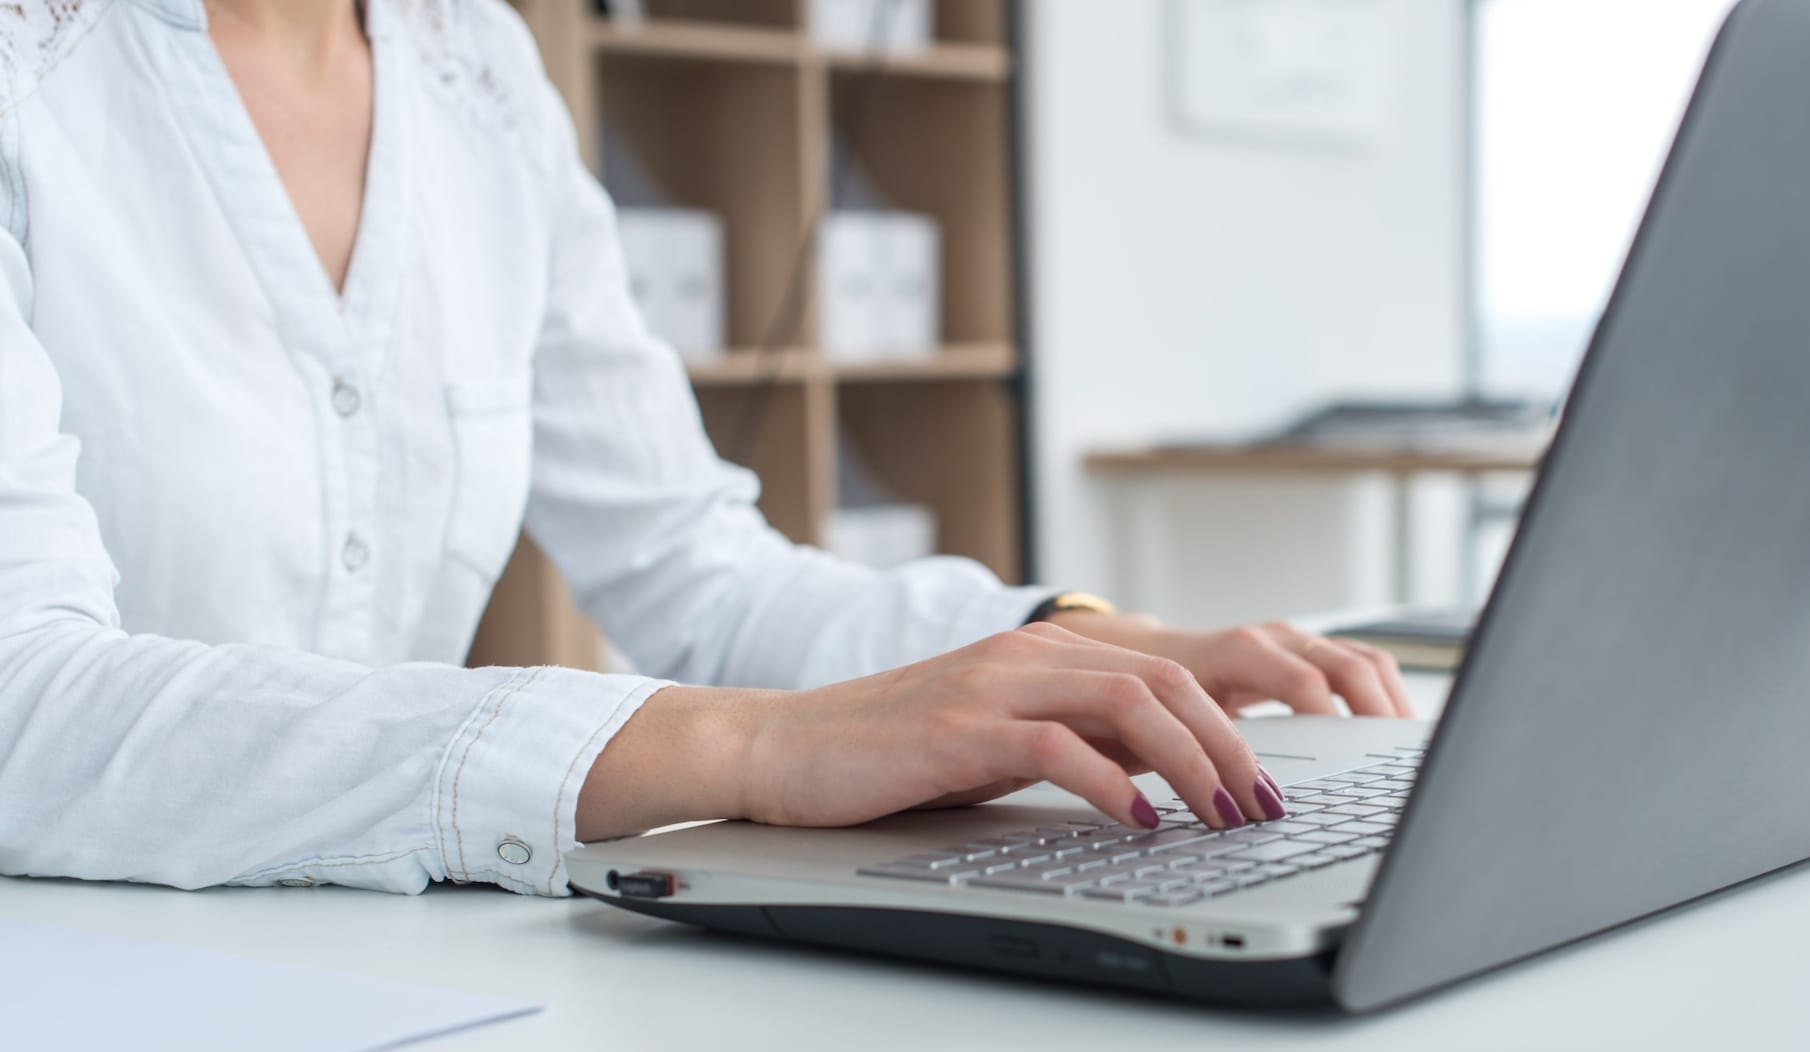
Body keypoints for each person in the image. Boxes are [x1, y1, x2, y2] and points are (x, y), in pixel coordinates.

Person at [0, 0, 1411, 896]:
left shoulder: (472, 67)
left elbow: (699, 573)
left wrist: (1077, 650)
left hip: (402, 959)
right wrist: (743, 744)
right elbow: (22, 708)